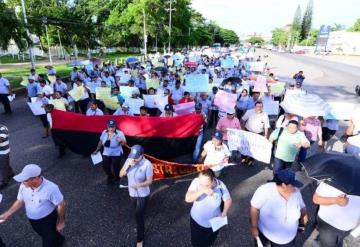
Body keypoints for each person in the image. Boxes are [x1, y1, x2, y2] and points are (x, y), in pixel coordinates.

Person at [0, 164, 66, 247]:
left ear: (36, 178)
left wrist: (61, 222)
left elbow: (61, 205)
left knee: (48, 241)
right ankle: (60, 239)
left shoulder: (51, 188)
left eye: (25, 180)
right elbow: (20, 200)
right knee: (44, 234)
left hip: (48, 220)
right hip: (33, 220)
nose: (22, 182)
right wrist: (7, 213)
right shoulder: (24, 185)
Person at [250, 169, 308, 247]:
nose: (295, 187)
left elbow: (303, 208)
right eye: (293, 185)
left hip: (288, 241)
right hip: (265, 236)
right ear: (283, 184)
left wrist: (303, 222)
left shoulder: (296, 192)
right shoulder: (265, 190)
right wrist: (254, 227)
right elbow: (254, 208)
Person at [185, 169, 232, 247]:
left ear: (213, 180)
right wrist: (202, 190)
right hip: (197, 222)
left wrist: (224, 212)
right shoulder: (196, 182)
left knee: (210, 240)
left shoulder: (220, 186)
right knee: (196, 243)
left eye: (206, 185)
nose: (203, 186)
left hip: (213, 223)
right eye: (201, 184)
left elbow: (228, 200)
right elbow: (188, 198)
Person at [119, 145, 153, 247]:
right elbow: (120, 175)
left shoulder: (147, 164)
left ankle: (140, 239)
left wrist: (140, 185)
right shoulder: (129, 160)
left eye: (136, 157)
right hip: (132, 193)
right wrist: (127, 167)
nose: (134, 159)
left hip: (143, 194)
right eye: (132, 156)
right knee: (137, 211)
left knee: (139, 217)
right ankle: (140, 217)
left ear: (142, 155)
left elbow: (149, 181)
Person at [313, 182, 360, 247]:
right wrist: (336, 200)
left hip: (347, 229)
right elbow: (316, 199)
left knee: (338, 241)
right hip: (329, 225)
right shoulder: (333, 178)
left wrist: (356, 232)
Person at [93, 119, 126, 185]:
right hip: (106, 152)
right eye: (109, 127)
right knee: (105, 166)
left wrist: (121, 141)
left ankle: (117, 177)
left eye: (113, 127)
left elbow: (124, 143)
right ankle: (110, 176)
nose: (111, 128)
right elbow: (100, 141)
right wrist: (96, 150)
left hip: (116, 152)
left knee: (115, 166)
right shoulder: (104, 132)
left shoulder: (119, 133)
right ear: (107, 126)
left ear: (115, 126)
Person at [0, 124, 14, 189]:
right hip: (2, 151)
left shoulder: (3, 128)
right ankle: (10, 173)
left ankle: (4, 182)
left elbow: (1, 140)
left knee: (2, 166)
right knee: (5, 164)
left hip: (3, 152)